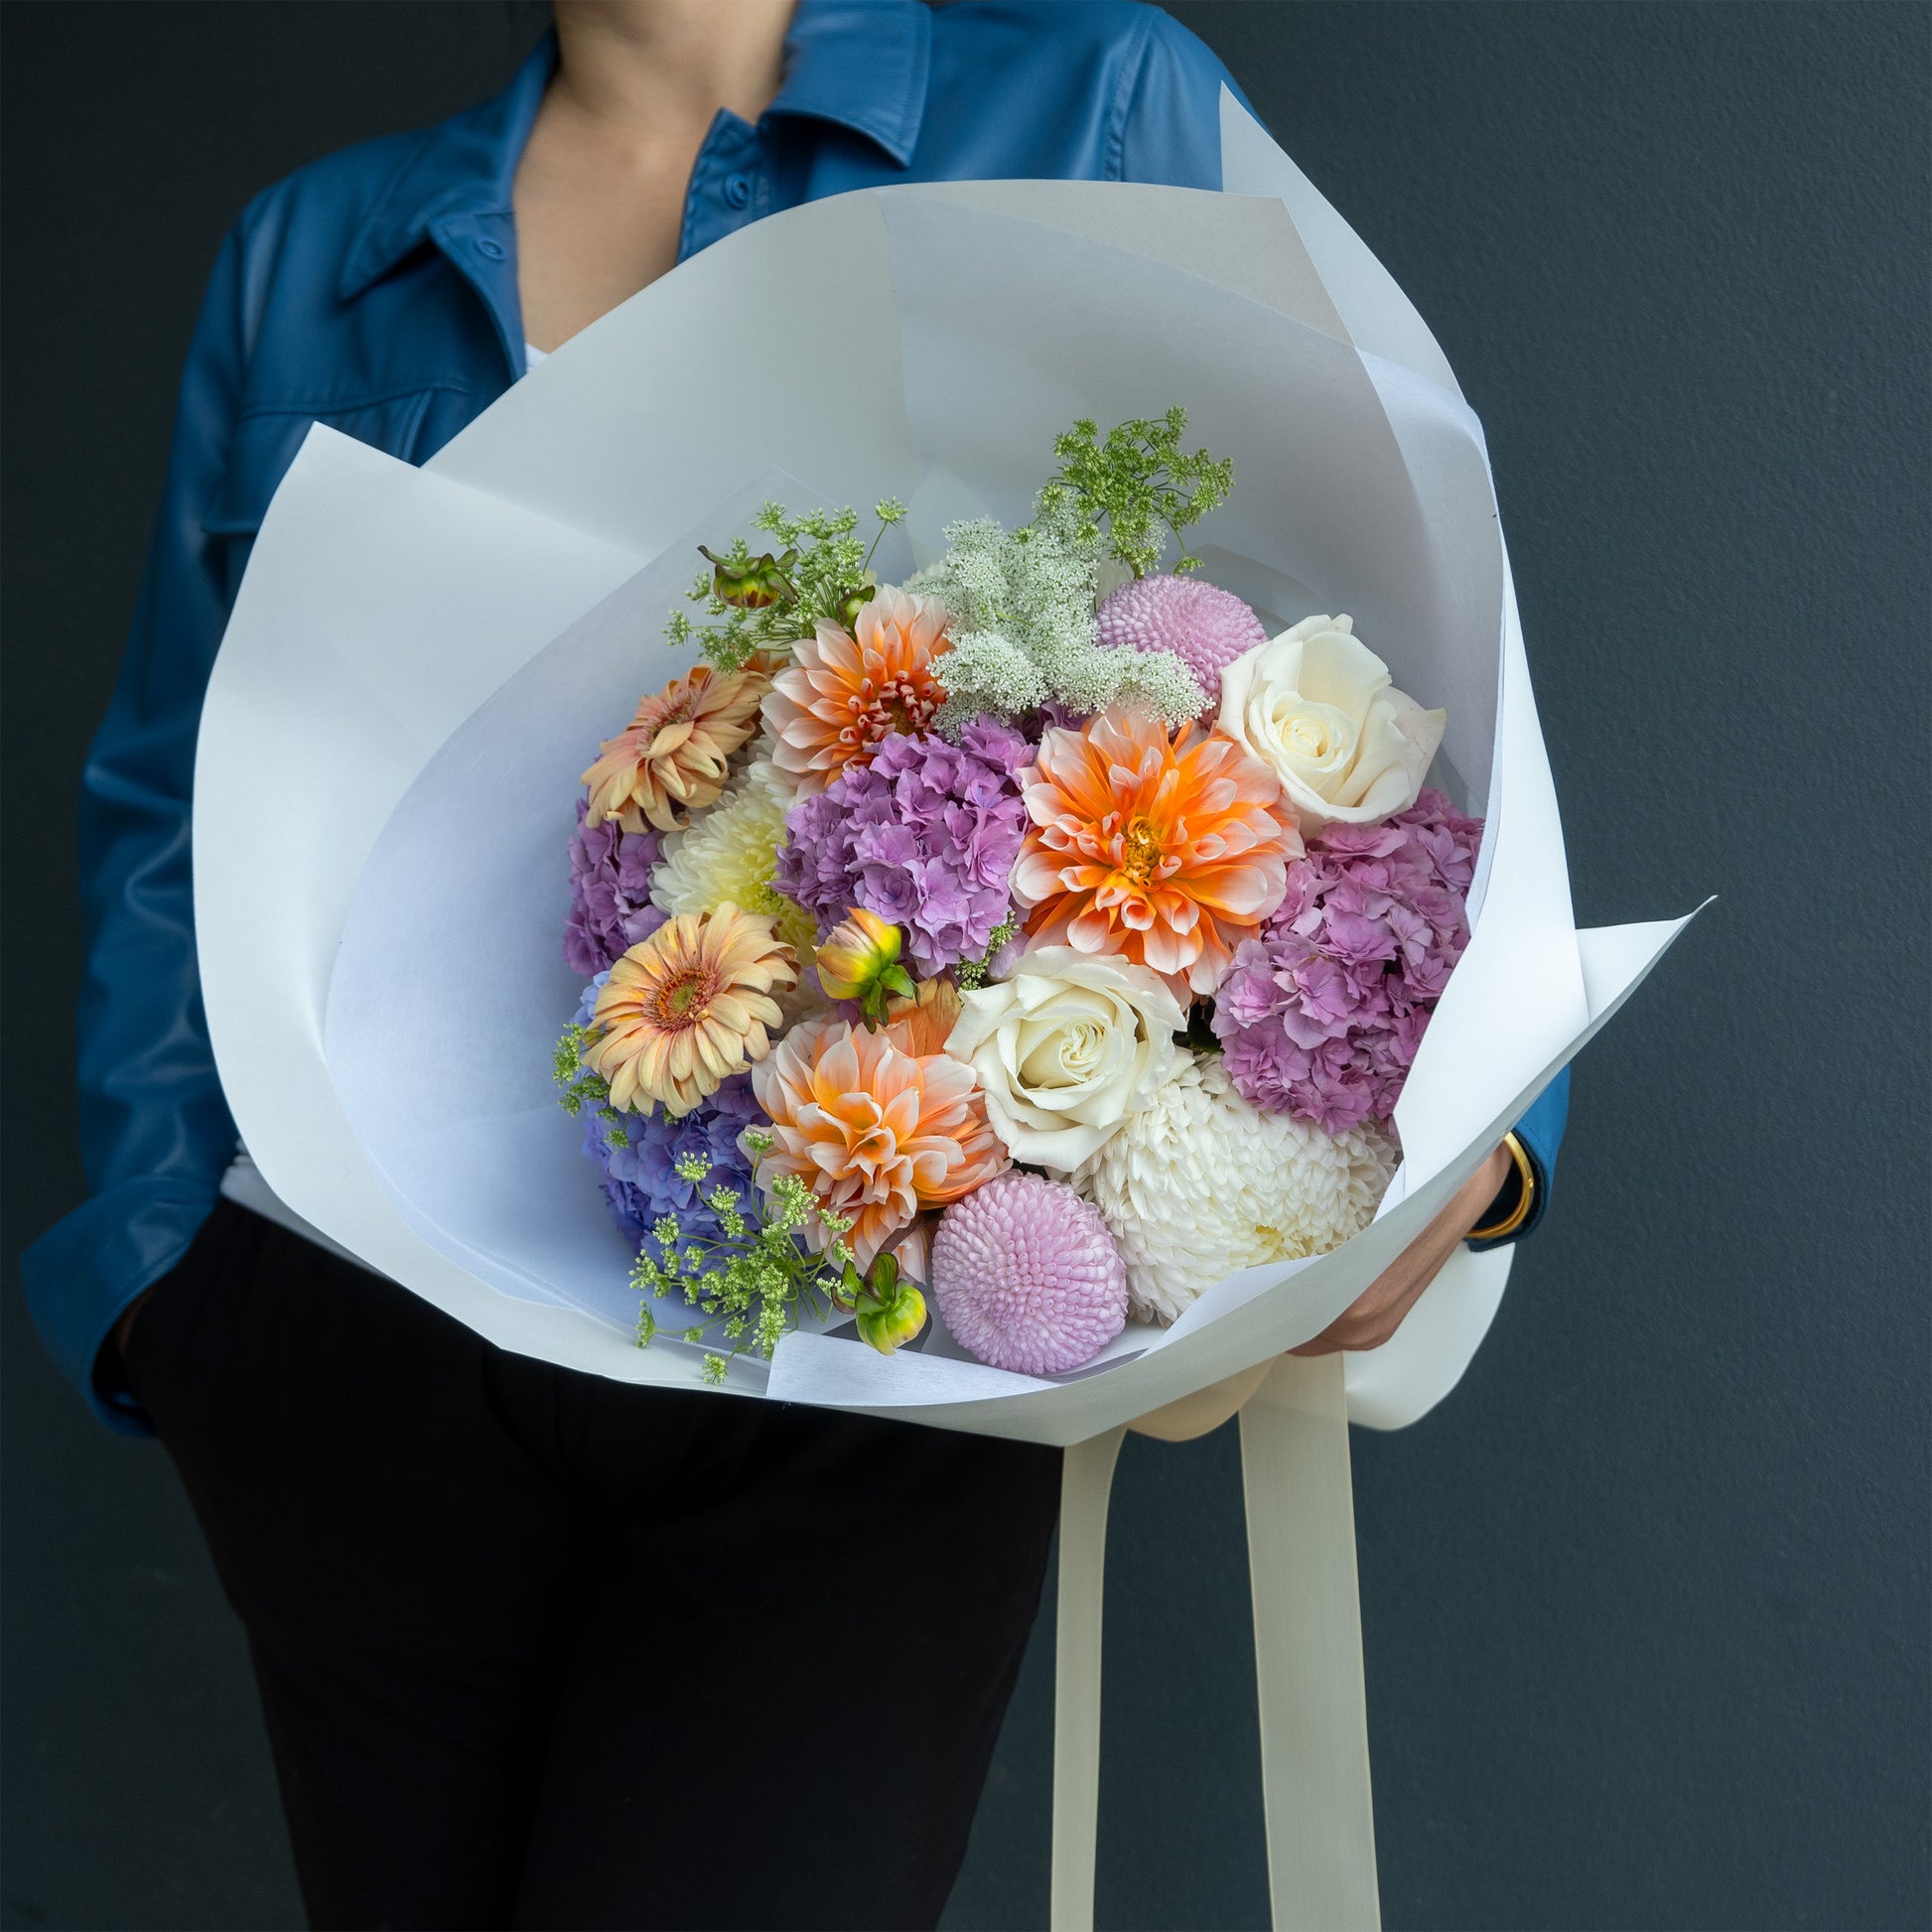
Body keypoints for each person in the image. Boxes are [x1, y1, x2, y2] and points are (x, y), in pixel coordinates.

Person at [22, 2, 1568, 1924]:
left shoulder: (1096, 101)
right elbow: (174, 790)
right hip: (356, 1342)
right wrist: (168, 1281)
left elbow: (1391, 621)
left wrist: (1480, 1134)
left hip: (849, 1352)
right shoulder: (313, 253)